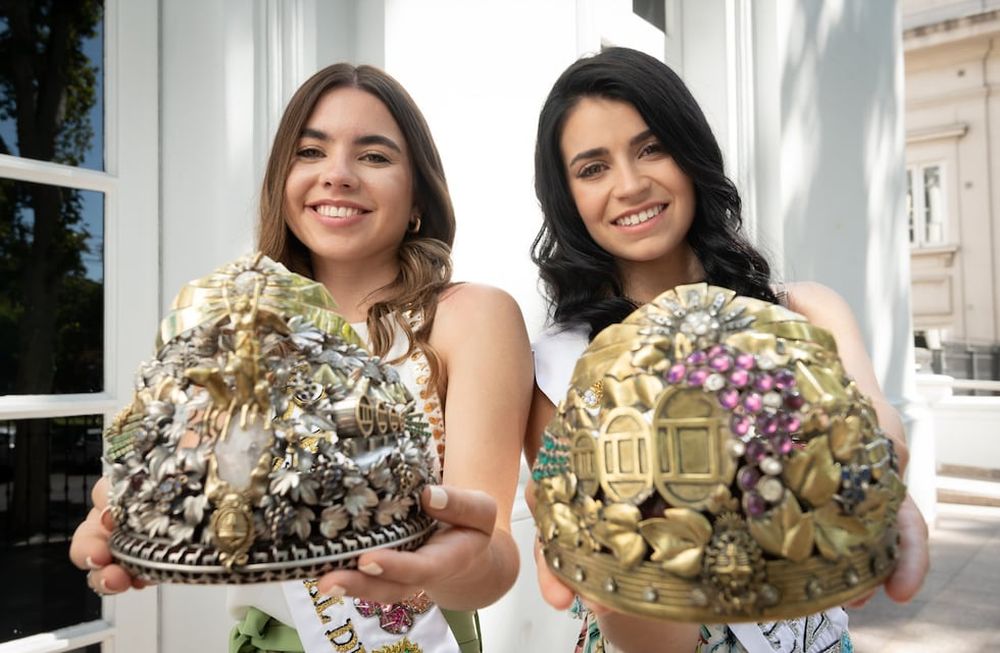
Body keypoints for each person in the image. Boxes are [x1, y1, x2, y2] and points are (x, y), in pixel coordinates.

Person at [69, 62, 532, 653]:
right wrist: (137, 511)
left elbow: (490, 556)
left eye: (374, 156)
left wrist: (447, 565)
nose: (337, 176)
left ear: (419, 194)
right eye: (310, 152)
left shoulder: (470, 316)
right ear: (281, 180)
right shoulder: (230, 329)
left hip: (416, 637)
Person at [524, 47, 929, 653]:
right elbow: (613, 578)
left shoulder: (805, 314)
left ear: (691, 155)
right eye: (593, 168)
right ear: (568, 199)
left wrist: (881, 457)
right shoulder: (560, 368)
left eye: (650, 148)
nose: (630, 186)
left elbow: (874, 421)